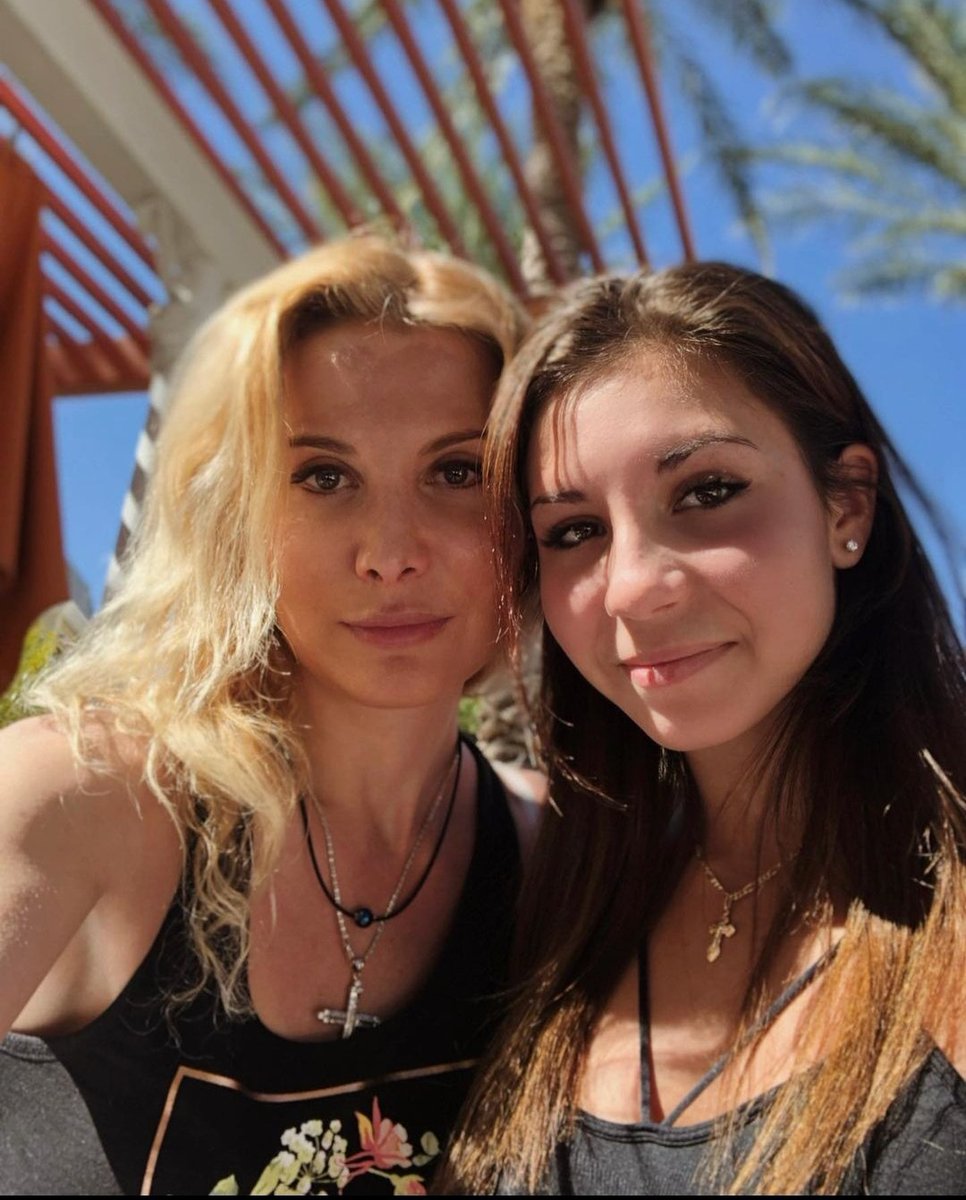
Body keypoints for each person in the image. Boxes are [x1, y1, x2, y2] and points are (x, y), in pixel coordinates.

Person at [0, 235, 533, 1195]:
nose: (390, 551)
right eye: (323, 476)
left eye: (457, 471)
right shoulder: (81, 794)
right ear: (234, 516)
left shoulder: (555, 857)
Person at [438, 263, 966, 1195]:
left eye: (708, 491)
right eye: (574, 532)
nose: (634, 585)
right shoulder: (547, 907)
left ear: (846, 506)